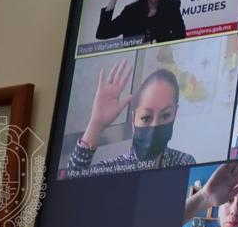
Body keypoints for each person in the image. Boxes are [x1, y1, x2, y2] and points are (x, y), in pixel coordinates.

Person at [67, 63, 196, 175]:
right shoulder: (113, 169)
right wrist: (96, 124)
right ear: (134, 120)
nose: (155, 126)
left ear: (175, 114)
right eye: (146, 118)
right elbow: (71, 181)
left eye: (165, 115)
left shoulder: (184, 162)